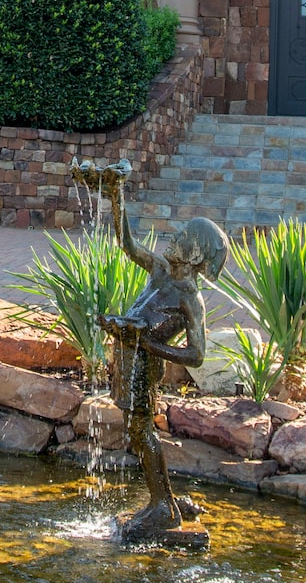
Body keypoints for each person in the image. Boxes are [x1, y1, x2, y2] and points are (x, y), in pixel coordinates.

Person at [76, 159, 225, 545]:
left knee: (142, 432)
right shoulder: (160, 270)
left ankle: (162, 506)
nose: (173, 238)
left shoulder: (190, 299)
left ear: (195, 257)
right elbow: (126, 244)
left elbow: (196, 355)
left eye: (183, 238)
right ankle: (166, 501)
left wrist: (148, 344)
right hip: (128, 358)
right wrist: (116, 195)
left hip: (144, 366)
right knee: (136, 432)